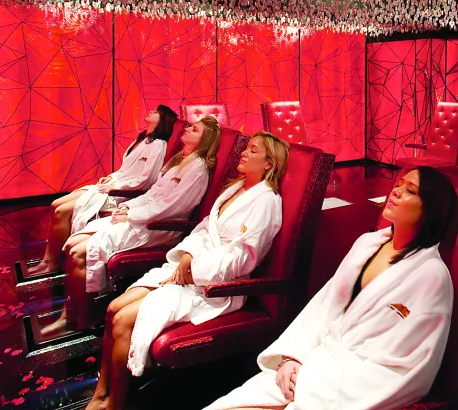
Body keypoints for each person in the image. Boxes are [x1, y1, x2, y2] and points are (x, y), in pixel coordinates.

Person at [206, 167, 458, 410]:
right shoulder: (367, 243)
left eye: (410, 190)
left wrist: (312, 386)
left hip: (347, 391)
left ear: (431, 209)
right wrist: (292, 357)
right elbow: (323, 307)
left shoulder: (431, 276)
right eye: (399, 184)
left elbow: (408, 368)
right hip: (312, 363)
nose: (396, 191)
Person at [85, 132, 290, 410]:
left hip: (216, 286)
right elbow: (205, 227)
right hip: (189, 267)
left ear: (269, 164)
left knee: (123, 320)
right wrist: (188, 255)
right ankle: (102, 391)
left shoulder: (266, 202)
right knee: (114, 309)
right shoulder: (236, 188)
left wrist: (194, 269)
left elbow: (243, 261)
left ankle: (113, 403)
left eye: (253, 151)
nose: (244, 153)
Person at [40, 117, 222, 336]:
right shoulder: (178, 160)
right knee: (73, 243)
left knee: (79, 252)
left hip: (159, 227)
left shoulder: (198, 169)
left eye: (195, 130)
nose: (188, 129)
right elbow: (152, 193)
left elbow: (173, 207)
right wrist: (128, 208)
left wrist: (133, 214)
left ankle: (80, 318)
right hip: (140, 217)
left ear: (204, 141)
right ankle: (70, 312)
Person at [26, 105, 178, 276]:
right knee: (55, 204)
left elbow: (145, 180)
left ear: (162, 120)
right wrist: (112, 177)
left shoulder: (158, 145)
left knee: (62, 211)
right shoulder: (143, 138)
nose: (151, 111)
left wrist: (116, 186)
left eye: (157, 112)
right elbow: (126, 171)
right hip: (113, 185)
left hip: (121, 194)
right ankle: (48, 258)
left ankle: (53, 264)